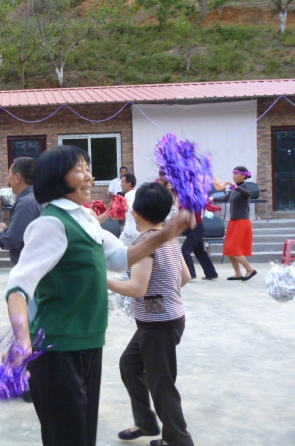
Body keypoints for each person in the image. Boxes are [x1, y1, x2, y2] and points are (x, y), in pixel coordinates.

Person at [5, 145, 193, 446]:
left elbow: (122, 257)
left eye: (88, 169)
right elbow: (18, 287)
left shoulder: (87, 220)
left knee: (83, 435)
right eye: (80, 170)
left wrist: (168, 233)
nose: (90, 177)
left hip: (89, 342)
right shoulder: (51, 224)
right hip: (57, 348)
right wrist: (22, 341)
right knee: (68, 438)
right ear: (57, 177)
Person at [107, 182, 194, 446]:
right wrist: (160, 298)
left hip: (159, 326)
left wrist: (102, 280)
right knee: (129, 365)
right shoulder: (169, 240)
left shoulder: (145, 244)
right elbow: (185, 277)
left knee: (161, 384)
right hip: (163, 321)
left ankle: (178, 439)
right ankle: (146, 423)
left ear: (136, 212)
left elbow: (137, 289)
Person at [0, 157, 43, 265]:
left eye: (9, 174)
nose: (8, 179)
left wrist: (0, 232)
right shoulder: (40, 197)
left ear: (17, 177)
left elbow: (13, 240)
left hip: (30, 266)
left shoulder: (26, 203)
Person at [218, 166, 257, 281]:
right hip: (233, 222)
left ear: (243, 175)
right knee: (229, 248)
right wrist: (209, 199)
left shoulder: (246, 187)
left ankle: (250, 269)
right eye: (233, 174)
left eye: (236, 174)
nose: (234, 176)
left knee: (234, 248)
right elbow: (225, 198)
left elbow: (249, 194)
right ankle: (238, 273)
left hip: (242, 222)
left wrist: (235, 186)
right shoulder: (234, 189)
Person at [182, 211, 219, 280]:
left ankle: (190, 274)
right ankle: (211, 273)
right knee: (199, 252)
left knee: (185, 251)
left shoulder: (190, 204)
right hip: (193, 227)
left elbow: (192, 212)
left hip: (195, 227)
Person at [119, 173, 138, 246]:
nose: (121, 184)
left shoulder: (129, 194)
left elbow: (133, 209)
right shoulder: (137, 193)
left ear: (129, 183)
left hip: (130, 232)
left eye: (122, 182)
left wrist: (138, 225)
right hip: (137, 231)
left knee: (118, 249)